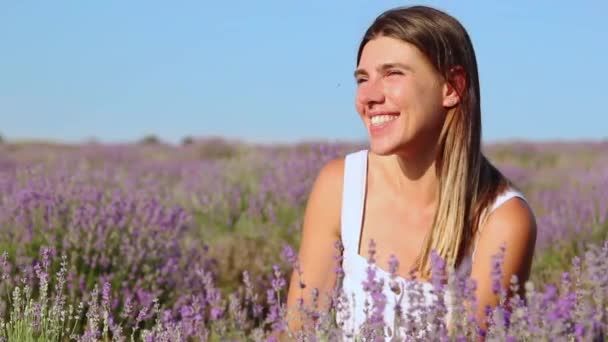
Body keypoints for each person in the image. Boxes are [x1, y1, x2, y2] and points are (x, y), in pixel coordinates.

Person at [284, 5, 537, 340]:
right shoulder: (341, 186)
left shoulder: (502, 220)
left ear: (452, 87)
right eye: (363, 79)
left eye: (393, 74)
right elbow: (298, 331)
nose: (369, 96)